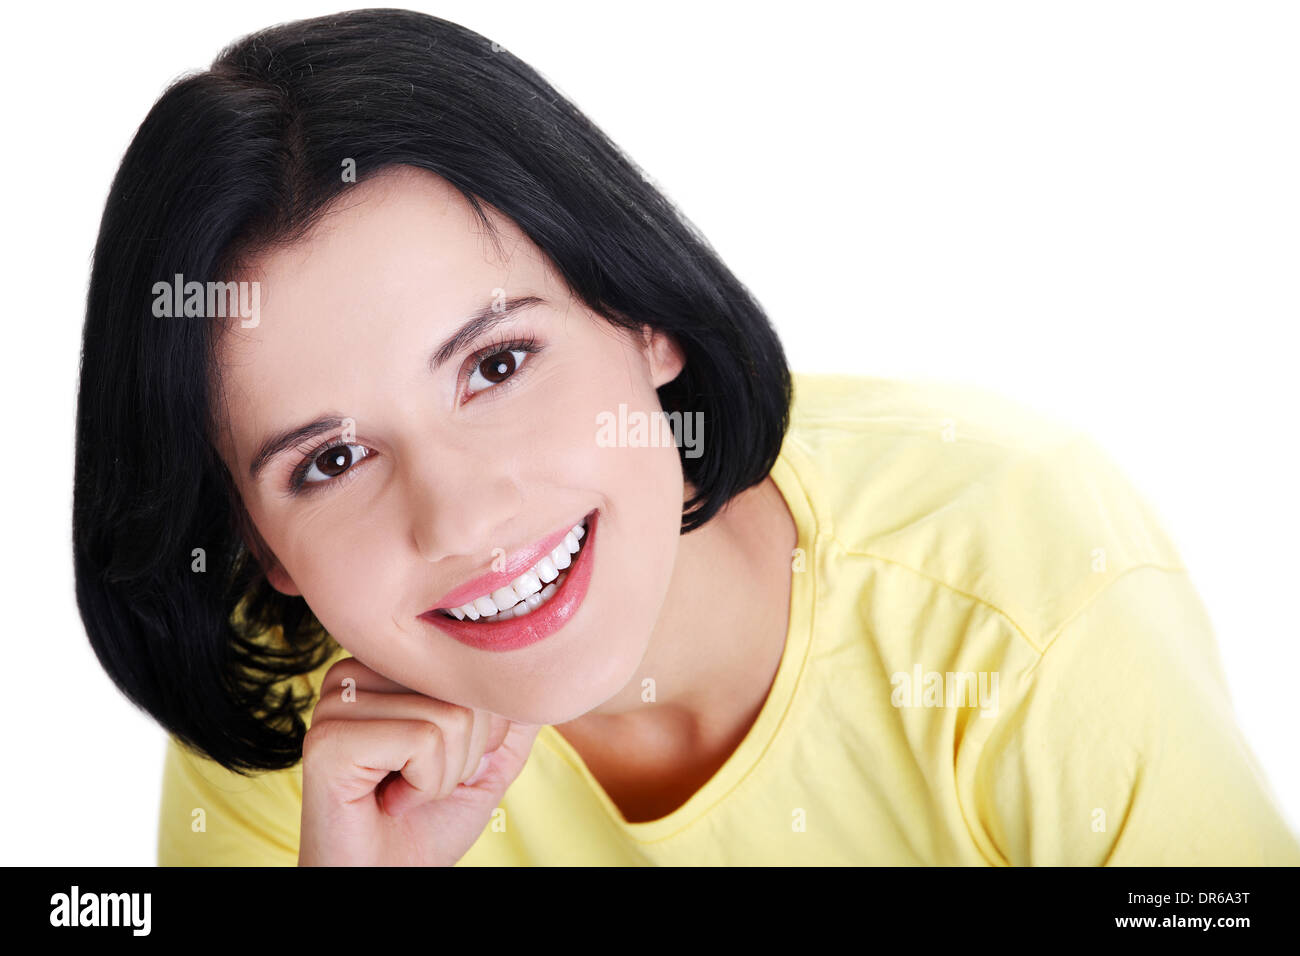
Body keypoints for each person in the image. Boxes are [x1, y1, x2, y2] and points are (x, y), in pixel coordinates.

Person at [74, 9, 1300, 866]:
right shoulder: (299, 729)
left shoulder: (1012, 578)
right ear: (261, 542)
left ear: (643, 314)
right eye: (329, 461)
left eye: (497, 365)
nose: (459, 516)